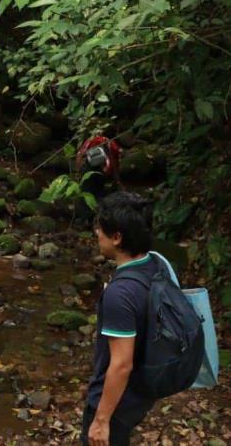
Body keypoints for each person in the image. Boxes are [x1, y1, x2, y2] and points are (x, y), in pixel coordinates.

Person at [83, 191, 162, 446]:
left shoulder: (121, 294)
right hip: (140, 393)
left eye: (101, 229)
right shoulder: (155, 265)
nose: (97, 233)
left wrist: (101, 420)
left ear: (117, 238)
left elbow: (121, 364)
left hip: (117, 401)